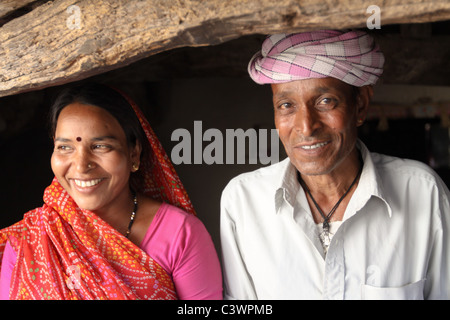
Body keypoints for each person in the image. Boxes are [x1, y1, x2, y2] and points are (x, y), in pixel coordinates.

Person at [220, 30, 450, 299]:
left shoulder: (423, 192)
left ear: (360, 105)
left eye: (325, 101)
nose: (306, 127)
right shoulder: (243, 202)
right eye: (286, 105)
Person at [0, 83, 222, 300]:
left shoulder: (178, 234)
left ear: (134, 153)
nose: (80, 165)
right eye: (65, 147)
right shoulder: (28, 242)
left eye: (100, 146)